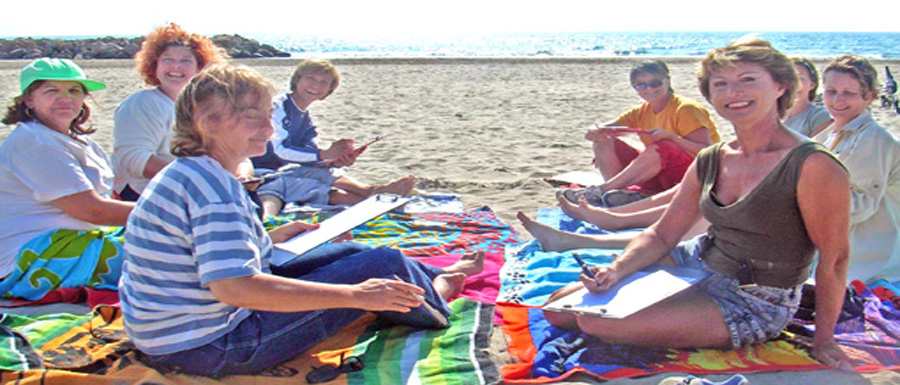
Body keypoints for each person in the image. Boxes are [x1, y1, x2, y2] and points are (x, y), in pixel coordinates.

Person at [119, 64, 485, 375]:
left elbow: (200, 252)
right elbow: (234, 288)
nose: (269, 128)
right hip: (209, 346)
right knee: (380, 265)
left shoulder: (192, 173)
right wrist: (354, 296)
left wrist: (272, 239)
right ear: (207, 122)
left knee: (361, 253)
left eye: (267, 116)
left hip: (174, 331)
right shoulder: (213, 190)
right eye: (253, 117)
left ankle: (432, 276)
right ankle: (438, 295)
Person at [519, 39, 853, 370]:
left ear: (780, 86)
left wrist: (824, 339)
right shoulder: (712, 158)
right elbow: (663, 234)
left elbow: (835, 258)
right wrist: (616, 269)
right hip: (692, 263)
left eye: (747, 80)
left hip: (753, 297)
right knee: (556, 309)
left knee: (597, 323)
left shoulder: (812, 165)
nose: (733, 92)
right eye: (721, 84)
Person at [0, 58, 134, 299]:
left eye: (74, 90)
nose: (65, 98)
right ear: (28, 99)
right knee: (168, 256)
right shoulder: (33, 142)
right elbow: (92, 211)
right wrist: (173, 212)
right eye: (51, 91)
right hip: (36, 255)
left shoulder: (78, 141)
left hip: (78, 240)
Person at [250, 59, 415, 217]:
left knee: (326, 171)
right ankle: (374, 199)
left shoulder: (305, 118)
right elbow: (280, 150)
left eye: (324, 82)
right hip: (256, 172)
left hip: (281, 170)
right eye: (311, 79)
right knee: (309, 185)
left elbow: (308, 156)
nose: (316, 85)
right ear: (297, 80)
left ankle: (369, 191)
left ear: (329, 90)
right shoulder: (277, 107)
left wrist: (335, 160)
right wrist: (323, 154)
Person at [558, 60, 719, 207]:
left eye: (655, 83)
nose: (649, 89)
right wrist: (594, 132)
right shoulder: (642, 111)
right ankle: (618, 192)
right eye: (641, 85)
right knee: (604, 141)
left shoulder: (685, 109)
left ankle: (603, 190)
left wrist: (672, 138)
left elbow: (706, 152)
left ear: (667, 81)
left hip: (694, 175)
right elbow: (607, 129)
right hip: (662, 173)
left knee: (662, 147)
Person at [111, 22, 227, 201]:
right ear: (154, 66)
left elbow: (233, 150)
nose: (176, 66)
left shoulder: (205, 108)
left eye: (185, 61)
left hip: (195, 191)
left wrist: (242, 175)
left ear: (199, 68)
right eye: (168, 60)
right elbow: (134, 158)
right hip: (145, 195)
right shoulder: (143, 103)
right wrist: (194, 180)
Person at [812, 55, 900, 285]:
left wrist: (805, 198)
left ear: (869, 97)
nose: (837, 100)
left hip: (868, 260)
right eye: (831, 91)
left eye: (849, 93)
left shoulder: (873, 138)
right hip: (838, 248)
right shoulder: (830, 133)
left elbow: (861, 206)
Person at [784, 58, 832, 137]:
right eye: (788, 78)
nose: (793, 84)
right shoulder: (771, 115)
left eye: (800, 79)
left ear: (812, 85)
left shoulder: (819, 117)